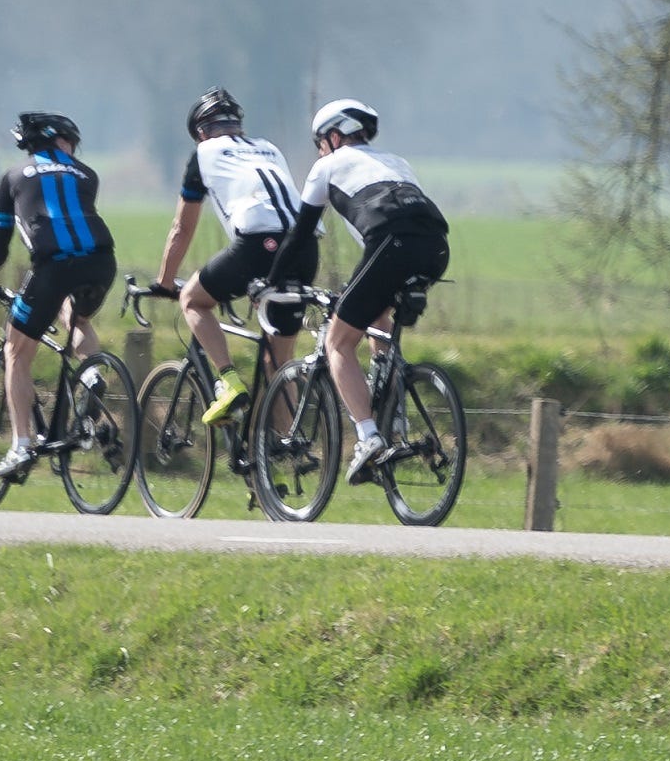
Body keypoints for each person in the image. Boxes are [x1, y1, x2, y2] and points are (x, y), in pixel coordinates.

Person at [279, 99, 455, 483]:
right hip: (437, 247)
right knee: (378, 317)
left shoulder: (326, 166)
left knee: (338, 343)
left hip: (393, 245)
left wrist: (273, 281)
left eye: (320, 143)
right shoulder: (395, 162)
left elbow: (300, 234)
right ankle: (391, 401)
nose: (319, 151)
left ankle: (369, 436)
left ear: (334, 136)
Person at [0, 111, 118, 483]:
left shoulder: (11, 178)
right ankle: (90, 377)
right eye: (71, 142)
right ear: (60, 141)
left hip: (52, 268)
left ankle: (21, 444)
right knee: (76, 317)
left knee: (15, 351)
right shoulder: (89, 174)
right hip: (102, 263)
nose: (74, 149)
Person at [158, 90, 315, 428]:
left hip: (259, 245)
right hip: (305, 248)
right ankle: (283, 452)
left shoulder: (203, 153)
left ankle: (229, 382)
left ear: (201, 132)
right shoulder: (269, 147)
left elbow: (181, 229)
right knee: (279, 363)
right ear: (238, 126)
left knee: (193, 301)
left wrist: (165, 281)